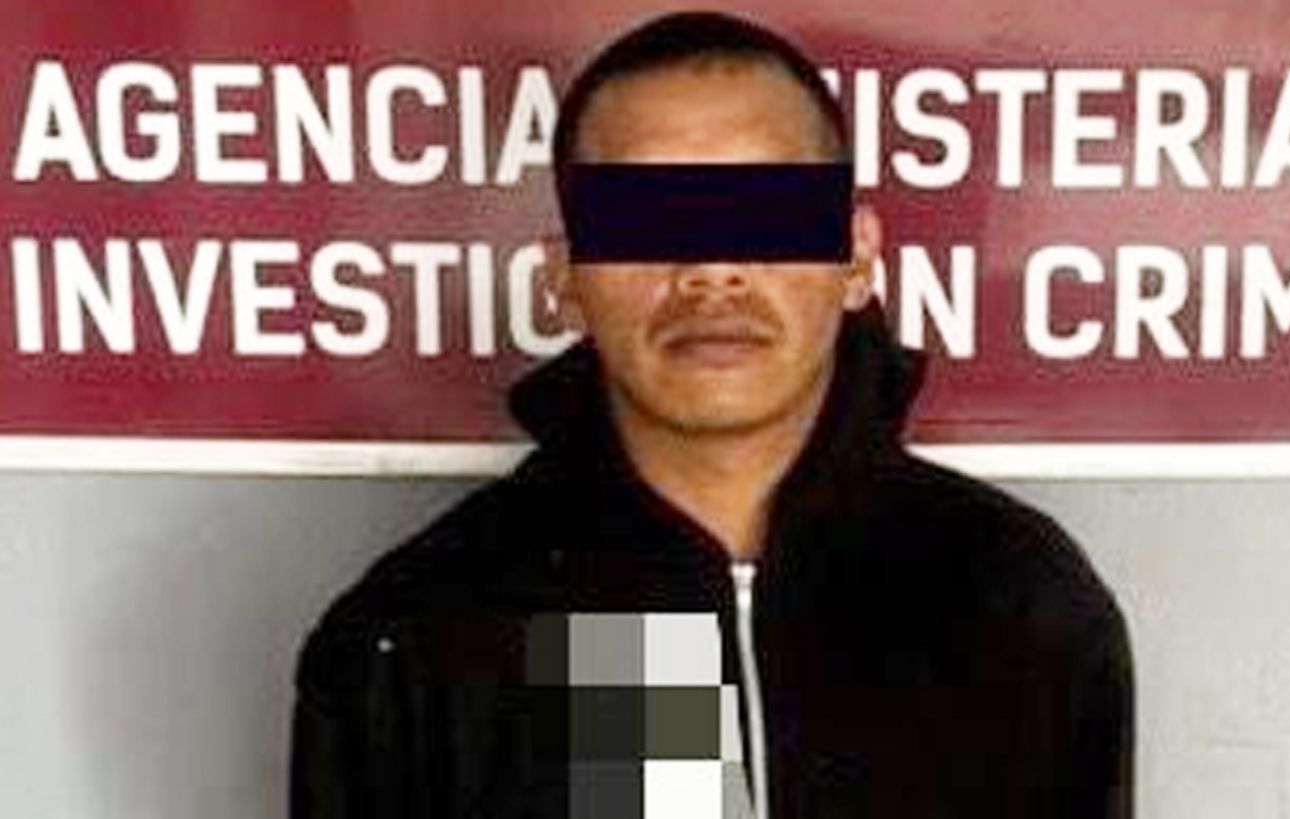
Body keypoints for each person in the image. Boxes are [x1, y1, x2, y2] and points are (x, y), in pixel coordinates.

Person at [290, 11, 1133, 819]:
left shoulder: (1021, 609)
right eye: (647, 219)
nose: (711, 268)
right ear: (565, 280)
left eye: (765, 213)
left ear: (855, 258)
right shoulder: (418, 643)